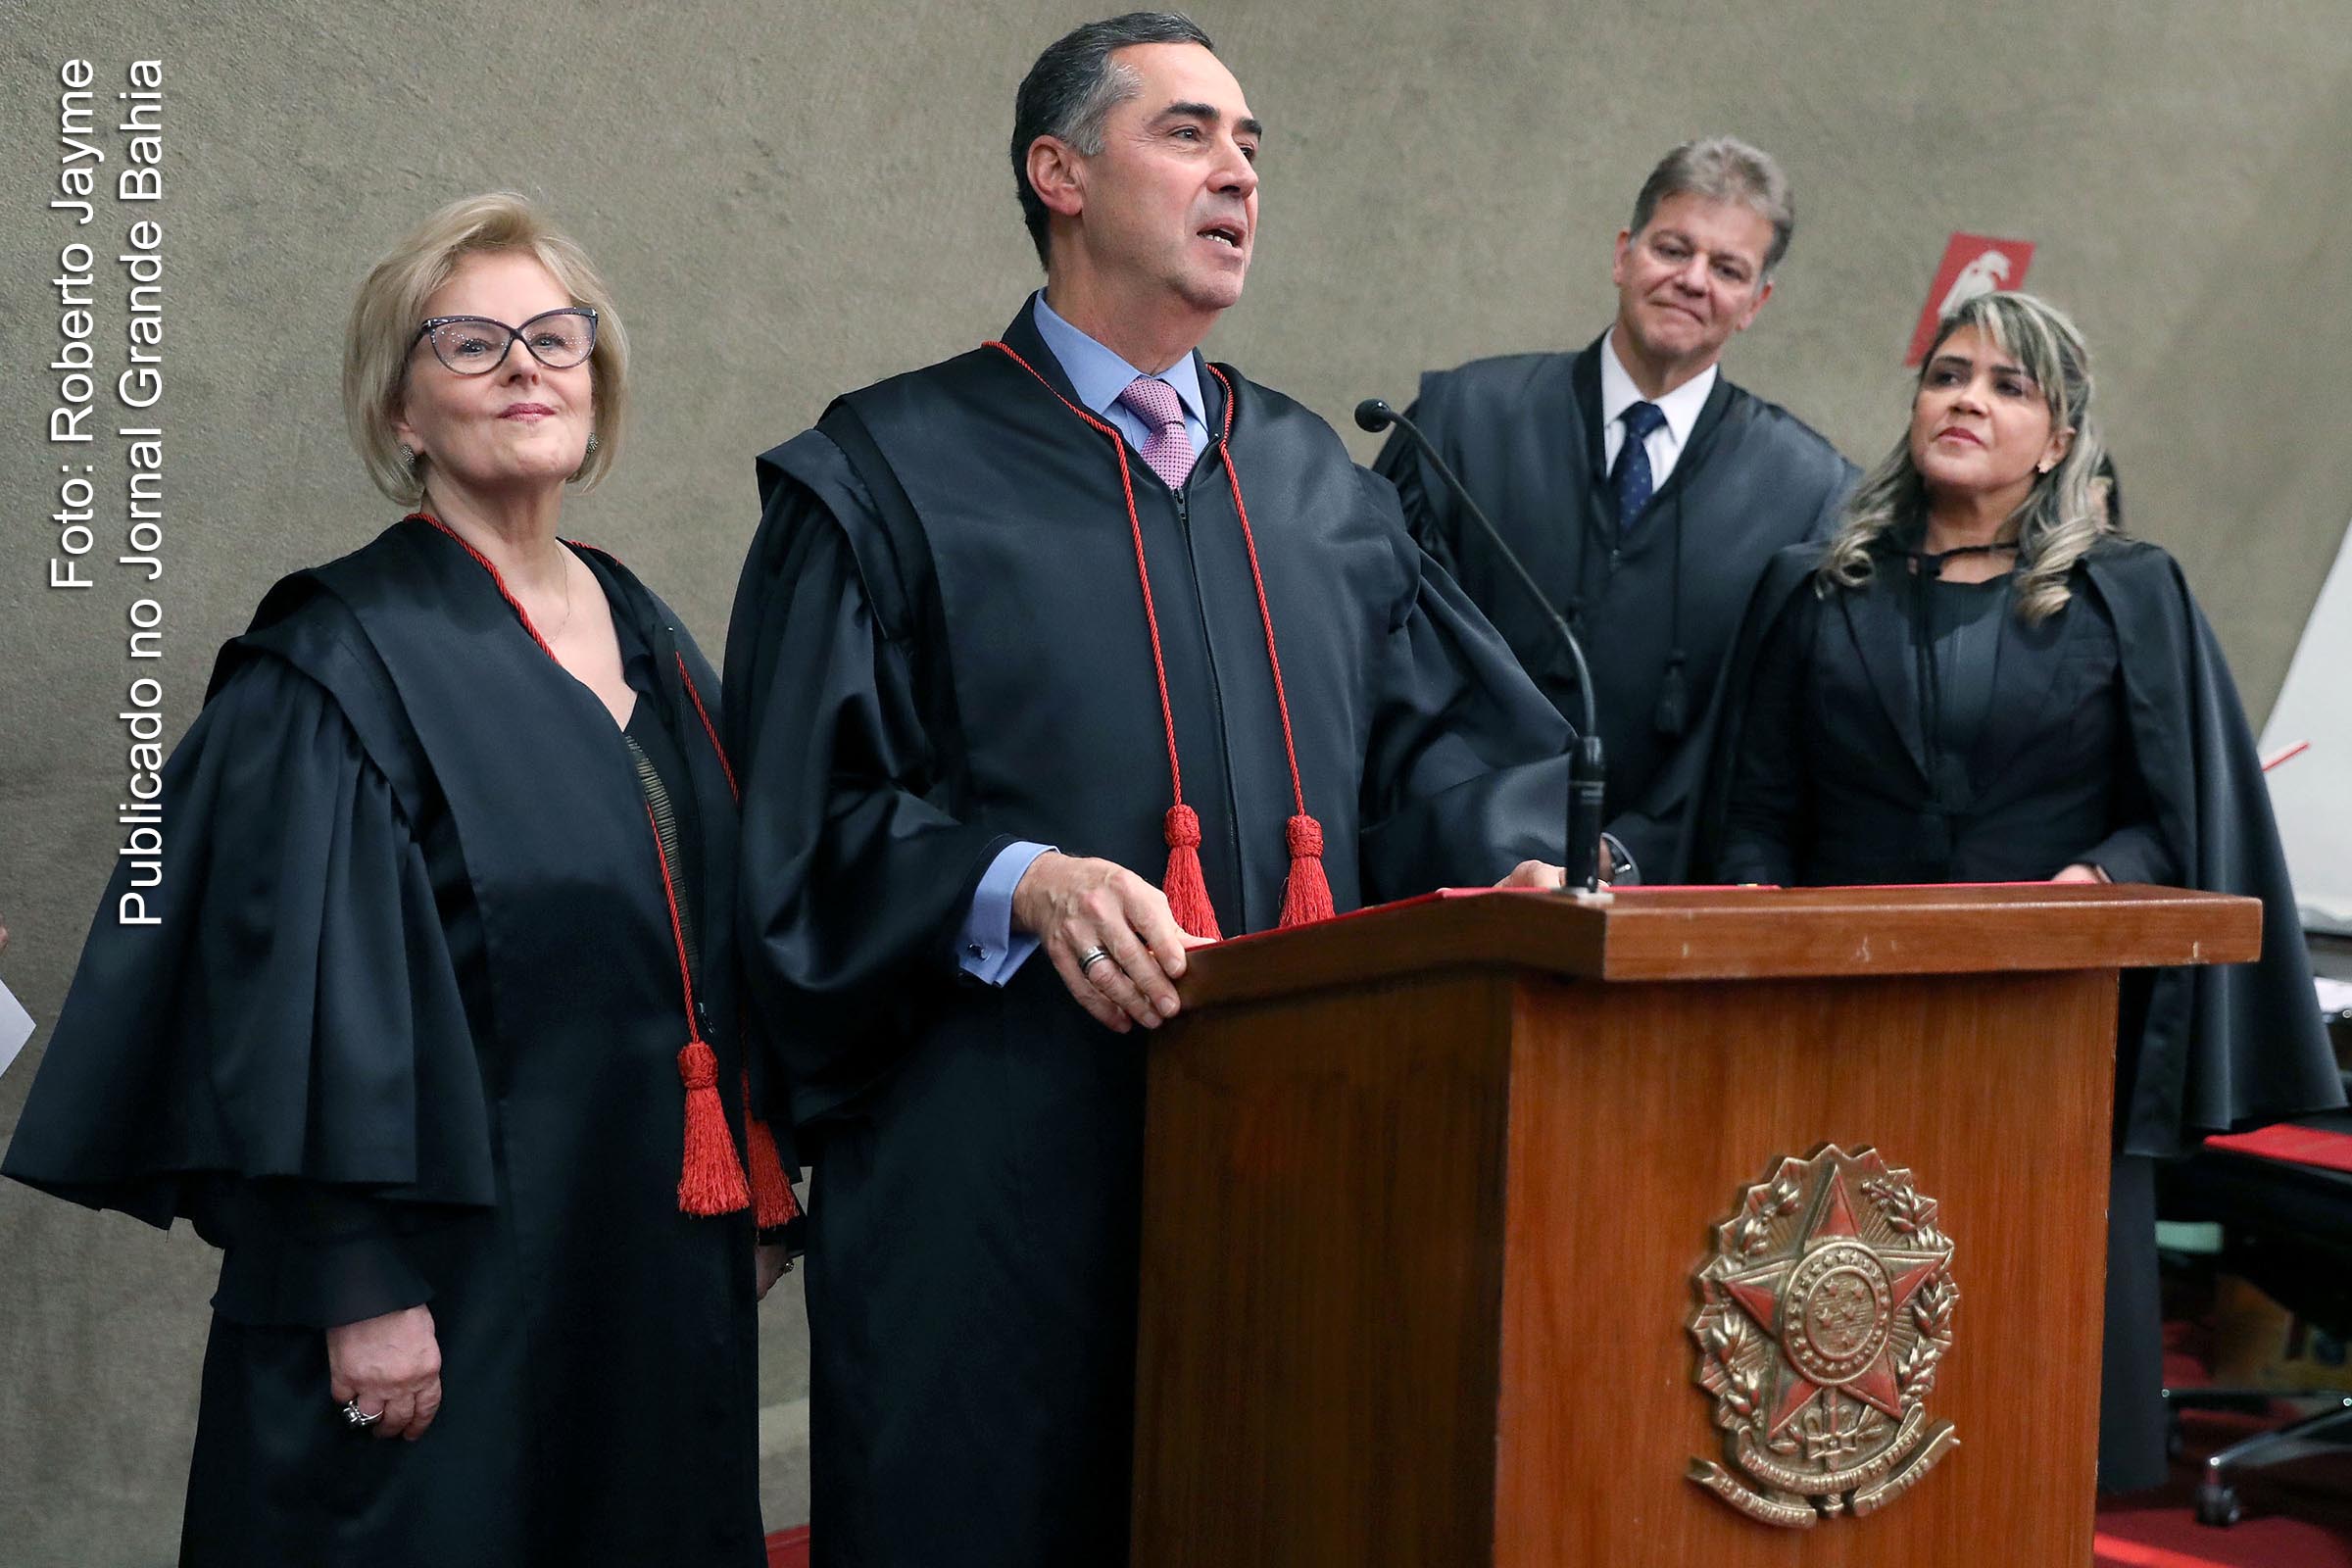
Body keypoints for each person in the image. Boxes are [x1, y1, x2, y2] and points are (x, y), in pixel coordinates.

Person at [725, 15, 1571, 1564]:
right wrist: (1015, 882)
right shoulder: (889, 473)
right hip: (991, 1170)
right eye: (1189, 133)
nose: (1238, 171)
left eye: (1254, 146)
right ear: (1059, 173)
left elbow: (1454, 753)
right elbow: (799, 822)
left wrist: (1516, 870)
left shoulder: (1324, 488)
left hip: (1286, 1162)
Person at [3, 193, 798, 1566]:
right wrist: (352, 1284)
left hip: (642, 1263)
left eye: (556, 336)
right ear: (400, 414)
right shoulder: (337, 666)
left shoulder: (647, 629)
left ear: (598, 388)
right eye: (472, 343)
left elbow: (711, 937)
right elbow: (283, 1007)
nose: (528, 367)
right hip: (448, 1300)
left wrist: (764, 1181)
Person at [1704, 289, 2343, 1490]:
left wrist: (2097, 879)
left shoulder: (2127, 592)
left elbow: (2180, 816)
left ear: (2058, 440)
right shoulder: (1813, 587)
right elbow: (1754, 810)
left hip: (2045, 1018)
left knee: (2029, 1349)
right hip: (1837, 1012)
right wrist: (1761, 906)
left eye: (2009, 386)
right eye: (1948, 374)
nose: (1967, 400)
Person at [1374, 137, 1856, 882]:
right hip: (1449, 871)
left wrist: (1622, 858)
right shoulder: (1461, 425)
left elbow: (1760, 736)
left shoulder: (1805, 495)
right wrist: (1493, 834)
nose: (1694, 281)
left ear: (1757, 302)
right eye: (1673, 248)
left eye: (1728, 269)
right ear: (1624, 254)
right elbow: (1398, 661)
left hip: (1658, 908)